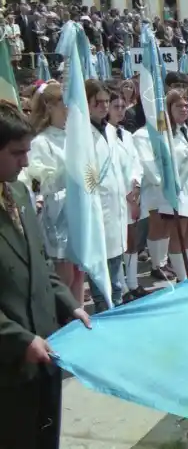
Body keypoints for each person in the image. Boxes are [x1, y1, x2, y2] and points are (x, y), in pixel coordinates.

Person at [0, 99, 92, 449]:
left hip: (45, 354)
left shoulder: (19, 193)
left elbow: (40, 265)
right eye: (15, 153)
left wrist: (70, 305)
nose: (26, 161)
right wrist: (20, 341)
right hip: (9, 364)